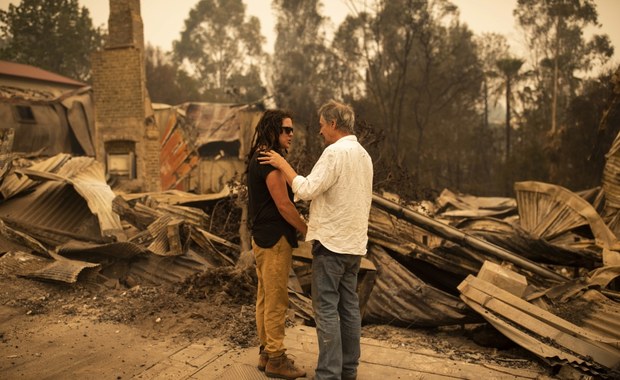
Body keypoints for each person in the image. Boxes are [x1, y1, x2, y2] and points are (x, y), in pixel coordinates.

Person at [259, 100, 373, 380]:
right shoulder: (364, 156)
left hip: (331, 245)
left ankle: (328, 375)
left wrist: (283, 164)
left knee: (326, 312)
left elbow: (307, 189)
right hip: (354, 246)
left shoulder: (334, 153)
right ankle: (348, 371)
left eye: (322, 125)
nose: (320, 131)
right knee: (348, 310)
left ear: (333, 124)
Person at [246, 109, 308, 380]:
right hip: (274, 239)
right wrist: (308, 229)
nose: (291, 134)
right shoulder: (271, 161)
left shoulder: (259, 156)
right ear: (272, 130)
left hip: (262, 237)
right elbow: (283, 204)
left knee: (265, 297)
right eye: (286, 130)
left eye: (292, 129)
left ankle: (266, 353)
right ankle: (277, 359)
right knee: (276, 299)